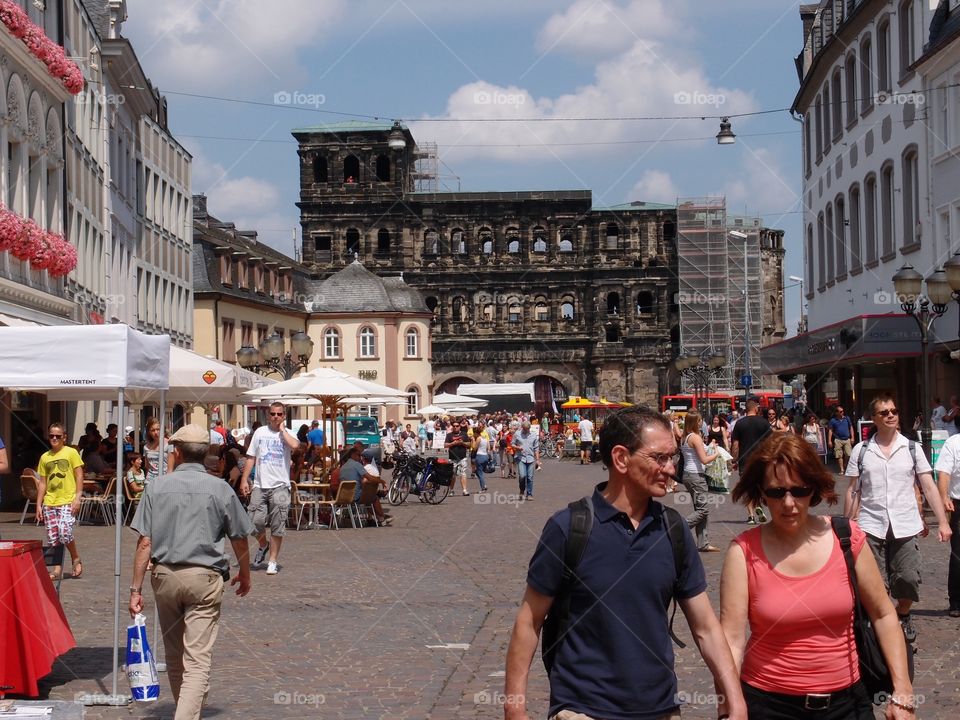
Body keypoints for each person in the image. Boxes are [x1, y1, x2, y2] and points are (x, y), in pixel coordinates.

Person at [504, 407, 747, 720]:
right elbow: (529, 620)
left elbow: (705, 628)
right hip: (583, 710)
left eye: (671, 457)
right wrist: (514, 707)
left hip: (660, 709)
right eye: (659, 457)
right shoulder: (569, 527)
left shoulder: (673, 530)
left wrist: (735, 699)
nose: (671, 469)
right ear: (620, 458)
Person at [720, 432, 916, 719]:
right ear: (762, 492)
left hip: (847, 704)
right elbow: (732, 640)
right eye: (776, 492)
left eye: (798, 490)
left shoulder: (847, 538)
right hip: (768, 705)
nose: (788, 503)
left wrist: (903, 694)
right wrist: (729, 706)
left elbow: (884, 615)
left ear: (813, 488)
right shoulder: (743, 552)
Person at [128, 424, 253, 720]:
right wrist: (245, 572)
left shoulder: (156, 487)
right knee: (197, 661)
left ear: (178, 452)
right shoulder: (220, 488)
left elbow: (145, 542)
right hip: (204, 578)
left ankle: (188, 710)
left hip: (165, 577)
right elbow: (239, 537)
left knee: (175, 656)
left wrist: (135, 589)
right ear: (207, 453)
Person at [844, 393, 952, 643]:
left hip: (905, 524)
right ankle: (881, 628)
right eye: (884, 412)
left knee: (908, 578)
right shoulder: (861, 451)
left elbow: (928, 484)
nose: (891, 415)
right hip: (870, 525)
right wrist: (847, 524)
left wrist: (943, 521)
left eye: (894, 411)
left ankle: (902, 614)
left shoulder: (911, 448)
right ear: (873, 418)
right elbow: (852, 490)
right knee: (874, 583)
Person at [239, 402, 299, 576]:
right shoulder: (259, 432)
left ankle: (272, 560)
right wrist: (244, 480)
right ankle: (263, 545)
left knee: (277, 524)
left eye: (279, 414)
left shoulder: (288, 434)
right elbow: (251, 457)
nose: (275, 417)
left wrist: (282, 431)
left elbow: (295, 446)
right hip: (260, 484)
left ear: (284, 416)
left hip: (280, 485)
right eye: (272, 414)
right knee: (253, 521)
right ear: (268, 415)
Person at [36, 422, 84, 581]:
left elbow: (79, 475)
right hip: (50, 501)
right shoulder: (45, 457)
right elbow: (43, 482)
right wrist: (38, 504)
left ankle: (75, 557)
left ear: (64, 437)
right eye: (51, 435)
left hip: (67, 500)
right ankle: (57, 569)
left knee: (64, 531)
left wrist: (78, 497)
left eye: (58, 436)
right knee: (53, 537)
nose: (54, 438)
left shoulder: (71, 453)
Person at [680, 411, 721, 552]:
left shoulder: (685, 437)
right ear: (694, 422)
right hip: (696, 476)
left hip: (688, 475)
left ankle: (703, 543)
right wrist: (716, 454)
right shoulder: (695, 437)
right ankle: (680, 527)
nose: (701, 423)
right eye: (699, 421)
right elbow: (704, 459)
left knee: (700, 509)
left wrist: (710, 445)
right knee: (703, 510)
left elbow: (697, 454)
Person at [730, 399, 772, 525]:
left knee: (747, 487)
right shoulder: (764, 423)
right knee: (760, 484)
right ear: (755, 409)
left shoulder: (739, 423)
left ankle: (751, 516)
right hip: (761, 459)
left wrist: (734, 459)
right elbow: (771, 441)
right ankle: (758, 503)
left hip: (745, 459)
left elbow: (736, 444)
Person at [935, 428, 960, 617]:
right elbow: (943, 472)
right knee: (958, 553)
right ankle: (956, 602)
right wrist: (944, 497)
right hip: (958, 503)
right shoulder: (953, 443)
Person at [512, 420, 541, 501]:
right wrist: (517, 447)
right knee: (522, 476)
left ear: (529, 428)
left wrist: (537, 460)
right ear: (522, 427)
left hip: (531, 458)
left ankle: (529, 494)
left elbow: (536, 448)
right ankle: (522, 490)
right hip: (521, 458)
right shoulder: (517, 434)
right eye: (524, 429)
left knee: (530, 477)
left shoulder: (533, 435)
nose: (525, 430)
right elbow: (512, 444)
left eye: (527, 429)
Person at [444, 419, 471, 496]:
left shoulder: (464, 434)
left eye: (457, 426)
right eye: (454, 426)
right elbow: (445, 445)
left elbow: (469, 445)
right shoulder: (449, 435)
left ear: (460, 427)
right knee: (453, 475)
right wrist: (453, 443)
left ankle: (465, 490)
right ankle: (451, 490)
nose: (455, 427)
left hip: (462, 458)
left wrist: (462, 442)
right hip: (452, 458)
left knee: (463, 474)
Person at [143, 417, 170, 486]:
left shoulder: (169, 444)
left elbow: (172, 465)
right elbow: (147, 466)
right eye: (152, 430)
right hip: (150, 480)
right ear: (149, 432)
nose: (156, 432)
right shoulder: (146, 447)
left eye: (158, 429)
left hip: (165, 479)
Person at [828, 405, 854, 473]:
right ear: (837, 413)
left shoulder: (847, 418)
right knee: (839, 455)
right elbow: (830, 430)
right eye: (841, 412)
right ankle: (842, 469)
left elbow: (851, 427)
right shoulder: (833, 420)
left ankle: (845, 464)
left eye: (843, 411)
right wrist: (829, 441)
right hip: (838, 439)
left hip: (847, 439)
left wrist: (852, 437)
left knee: (848, 454)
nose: (842, 413)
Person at [473, 426, 491, 493]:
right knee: (478, 472)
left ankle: (483, 488)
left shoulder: (478, 438)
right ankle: (484, 485)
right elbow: (488, 448)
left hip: (480, 456)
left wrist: (473, 441)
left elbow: (475, 448)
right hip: (485, 456)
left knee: (480, 473)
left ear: (476, 433)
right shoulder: (485, 439)